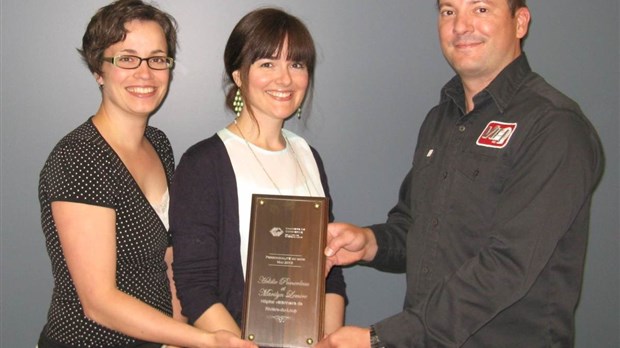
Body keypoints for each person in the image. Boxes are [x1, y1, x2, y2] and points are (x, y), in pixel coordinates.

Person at [317, 0, 604, 347]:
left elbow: (507, 265)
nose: (461, 26)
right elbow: (416, 229)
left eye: (480, 9)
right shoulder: (441, 119)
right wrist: (369, 243)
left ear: (520, 22)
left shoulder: (554, 125)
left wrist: (382, 339)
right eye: (449, 11)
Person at [37, 1, 257, 347]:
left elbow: (171, 258)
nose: (145, 73)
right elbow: (100, 303)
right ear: (98, 69)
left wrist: (177, 331)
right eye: (127, 58)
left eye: (157, 59)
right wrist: (205, 340)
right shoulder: (79, 158)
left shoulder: (158, 143)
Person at [169, 7, 347, 339]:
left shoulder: (308, 157)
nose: (285, 79)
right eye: (267, 64)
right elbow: (195, 285)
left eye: (297, 64)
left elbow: (330, 274)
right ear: (238, 75)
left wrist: (327, 343)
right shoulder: (204, 163)